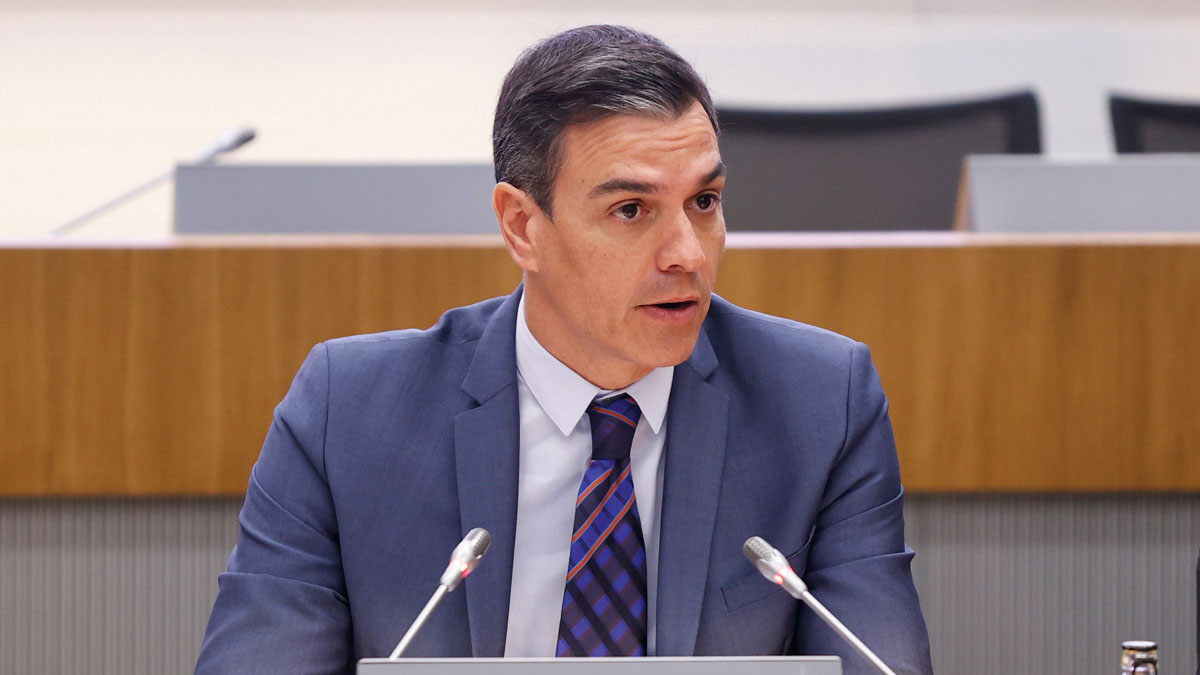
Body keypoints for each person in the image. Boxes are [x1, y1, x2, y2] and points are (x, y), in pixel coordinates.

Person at [196, 24, 932, 674]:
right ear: (521, 226)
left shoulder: (821, 404)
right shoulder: (348, 414)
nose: (687, 254)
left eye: (704, 202)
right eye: (631, 210)